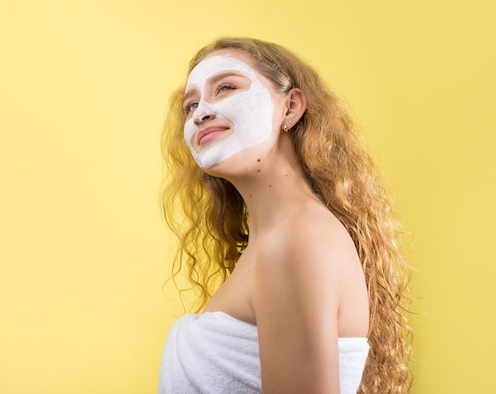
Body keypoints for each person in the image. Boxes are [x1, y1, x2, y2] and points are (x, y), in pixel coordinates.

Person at [158, 37, 412, 394]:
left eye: (226, 87)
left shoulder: (296, 240)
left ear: (290, 108)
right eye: (191, 105)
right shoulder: (277, 241)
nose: (200, 113)